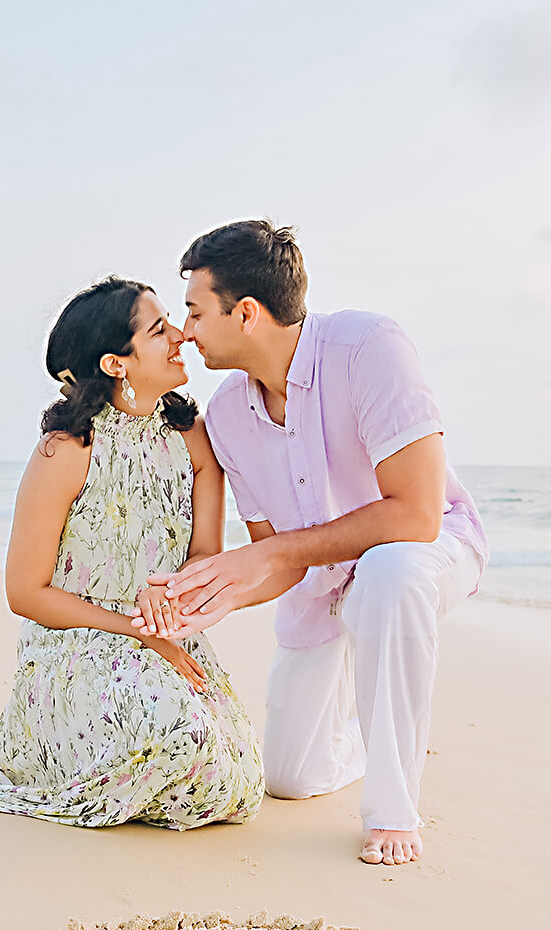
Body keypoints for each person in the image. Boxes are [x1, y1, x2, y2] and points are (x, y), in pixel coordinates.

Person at [134, 221, 487, 866]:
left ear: (245, 313)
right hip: (322, 581)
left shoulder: (368, 347)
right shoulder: (227, 417)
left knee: (389, 573)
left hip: (426, 551)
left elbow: (417, 514)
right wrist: (210, 596)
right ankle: (370, 735)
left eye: (193, 311)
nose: (184, 330)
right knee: (289, 778)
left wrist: (271, 555)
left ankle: (393, 809)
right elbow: (278, 561)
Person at [0, 277, 264, 829]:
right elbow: (25, 591)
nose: (181, 335)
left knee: (237, 785)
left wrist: (167, 607)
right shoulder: (66, 450)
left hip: (166, 635)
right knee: (183, 741)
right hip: (75, 647)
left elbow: (205, 554)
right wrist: (131, 629)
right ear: (116, 363)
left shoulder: (194, 439)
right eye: (159, 330)